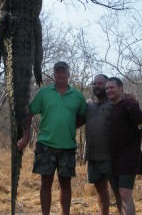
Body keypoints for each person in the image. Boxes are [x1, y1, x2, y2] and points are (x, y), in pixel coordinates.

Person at [17, 61, 87, 215]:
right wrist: (27, 134)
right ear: (54, 74)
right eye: (57, 72)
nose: (60, 74)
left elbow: (83, 116)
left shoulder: (77, 96)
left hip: (67, 146)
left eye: (63, 72)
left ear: (69, 74)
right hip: (45, 145)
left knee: (65, 184)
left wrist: (70, 126)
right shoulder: (44, 93)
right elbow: (30, 112)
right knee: (45, 183)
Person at [105, 77, 142, 215]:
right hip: (115, 158)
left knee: (125, 193)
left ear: (121, 88)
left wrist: (135, 140)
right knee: (120, 194)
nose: (108, 90)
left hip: (128, 157)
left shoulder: (128, 105)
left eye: (112, 87)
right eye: (107, 88)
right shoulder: (113, 108)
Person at [83, 74, 114, 215]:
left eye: (100, 84)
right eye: (94, 84)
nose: (97, 86)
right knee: (101, 192)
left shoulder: (115, 103)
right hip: (93, 155)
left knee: (119, 192)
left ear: (107, 85)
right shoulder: (88, 105)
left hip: (112, 157)